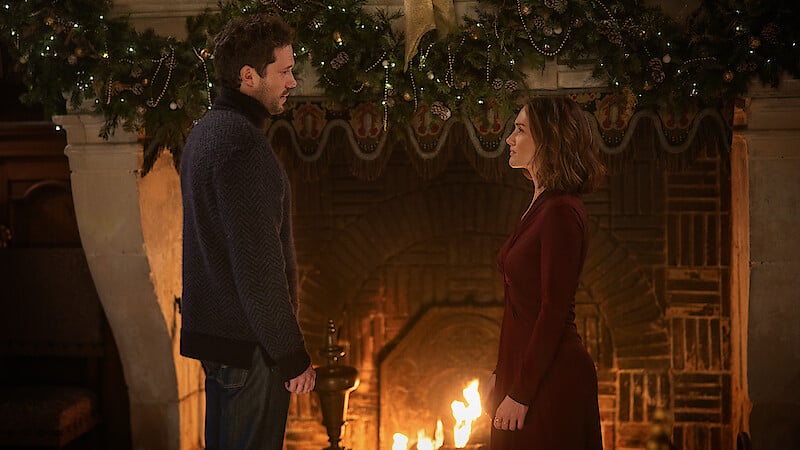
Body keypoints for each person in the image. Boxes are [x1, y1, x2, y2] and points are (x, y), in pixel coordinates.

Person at [179, 14, 315, 450]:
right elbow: (259, 272)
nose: (294, 81)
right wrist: (292, 357)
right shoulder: (243, 148)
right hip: (251, 349)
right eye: (286, 70)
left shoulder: (204, 134)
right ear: (248, 76)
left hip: (222, 344)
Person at [487, 97, 605, 450]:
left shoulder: (561, 211)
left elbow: (553, 309)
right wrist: (500, 372)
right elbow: (519, 307)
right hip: (527, 371)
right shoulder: (540, 203)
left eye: (520, 130)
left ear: (549, 139)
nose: (509, 138)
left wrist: (521, 393)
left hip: (552, 381)